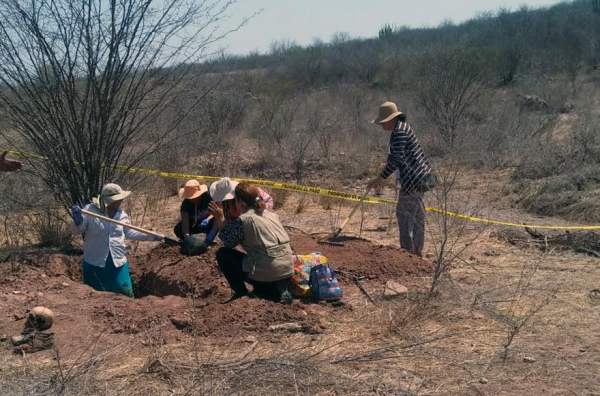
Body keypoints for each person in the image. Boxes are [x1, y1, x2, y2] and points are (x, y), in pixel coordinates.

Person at [71, 183, 165, 297]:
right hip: (95, 261)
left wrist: (153, 236)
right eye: (118, 199)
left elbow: (130, 233)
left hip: (117, 262)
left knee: (124, 292)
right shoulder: (90, 210)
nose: (121, 200)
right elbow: (78, 230)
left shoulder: (122, 215)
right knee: (95, 297)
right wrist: (77, 220)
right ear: (108, 200)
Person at [208, 181, 293, 304]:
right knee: (261, 255)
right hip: (288, 270)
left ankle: (243, 293)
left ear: (240, 202)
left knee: (223, 255)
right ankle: (278, 286)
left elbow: (228, 242)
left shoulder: (243, 220)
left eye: (235, 200)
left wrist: (220, 220)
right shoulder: (271, 214)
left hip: (267, 270)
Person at [368, 101, 434, 257]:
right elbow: (394, 159)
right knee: (417, 216)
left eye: (383, 122)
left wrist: (379, 178)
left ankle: (407, 254)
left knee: (404, 214)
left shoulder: (399, 132)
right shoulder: (400, 130)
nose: (382, 125)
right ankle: (416, 252)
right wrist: (383, 178)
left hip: (414, 180)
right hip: (418, 179)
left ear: (391, 119)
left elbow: (396, 159)